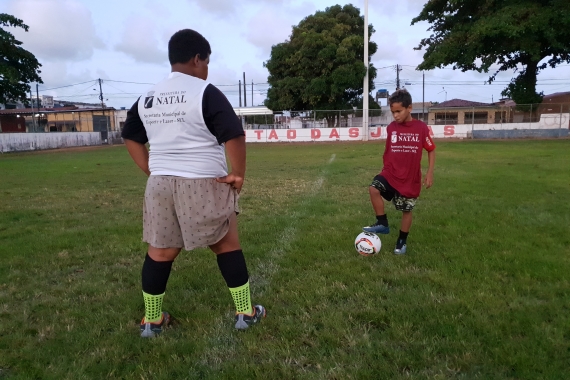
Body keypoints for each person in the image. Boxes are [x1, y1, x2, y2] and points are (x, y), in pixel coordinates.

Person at [121, 29, 265, 338]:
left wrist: (152, 169)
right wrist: (238, 174)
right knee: (226, 245)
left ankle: (153, 321)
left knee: (159, 252)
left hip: (159, 185)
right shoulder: (205, 91)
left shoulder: (147, 97)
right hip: (203, 180)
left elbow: (131, 137)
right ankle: (246, 313)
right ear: (198, 59)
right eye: (207, 62)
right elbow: (234, 135)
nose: (207, 69)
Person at [363, 89, 436, 255]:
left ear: (409, 108)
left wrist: (429, 173)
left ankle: (401, 241)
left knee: (406, 210)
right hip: (391, 173)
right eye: (392, 112)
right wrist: (386, 168)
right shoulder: (392, 128)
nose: (395, 115)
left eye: (398, 111)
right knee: (374, 188)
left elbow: (431, 150)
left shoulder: (421, 128)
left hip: (410, 178)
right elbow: (389, 150)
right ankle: (382, 223)